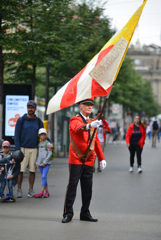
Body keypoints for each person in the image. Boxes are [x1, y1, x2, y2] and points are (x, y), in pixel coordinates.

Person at [62, 98, 107, 224]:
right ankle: (68, 213)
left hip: (89, 159)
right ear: (80, 106)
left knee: (87, 188)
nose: (89, 106)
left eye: (91, 105)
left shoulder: (93, 121)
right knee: (72, 187)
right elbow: (77, 128)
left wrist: (101, 158)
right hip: (76, 158)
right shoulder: (75, 119)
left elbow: (96, 141)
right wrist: (89, 126)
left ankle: (85, 212)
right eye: (86, 104)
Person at [14, 100, 53, 198]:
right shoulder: (21, 120)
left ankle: (30, 190)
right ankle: (19, 190)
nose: (30, 109)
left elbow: (43, 135)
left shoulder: (39, 121)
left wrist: (50, 143)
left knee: (32, 170)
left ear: (35, 108)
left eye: (32, 107)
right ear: (27, 108)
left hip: (35, 148)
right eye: (29, 107)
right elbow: (16, 135)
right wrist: (18, 149)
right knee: (21, 170)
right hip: (23, 149)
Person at [33, 128, 52, 198]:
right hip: (40, 164)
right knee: (44, 177)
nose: (43, 136)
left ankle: (41, 192)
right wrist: (37, 163)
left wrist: (45, 162)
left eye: (44, 134)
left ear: (46, 135)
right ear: (39, 135)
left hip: (46, 164)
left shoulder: (48, 143)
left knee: (44, 176)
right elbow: (39, 154)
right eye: (41, 134)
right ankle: (47, 192)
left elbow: (50, 154)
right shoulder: (39, 144)